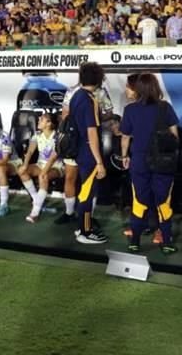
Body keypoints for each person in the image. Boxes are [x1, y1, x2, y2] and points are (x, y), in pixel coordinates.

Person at [120, 74, 179, 254]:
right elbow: (175, 136)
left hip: (139, 161)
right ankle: (167, 243)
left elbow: (125, 138)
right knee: (164, 203)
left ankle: (135, 241)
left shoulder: (130, 110)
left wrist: (124, 156)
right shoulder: (165, 107)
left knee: (139, 201)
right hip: (164, 162)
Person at [68, 62, 108, 244]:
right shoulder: (89, 100)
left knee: (84, 192)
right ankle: (85, 231)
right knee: (86, 194)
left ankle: (81, 228)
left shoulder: (76, 96)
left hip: (81, 151)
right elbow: (91, 132)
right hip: (88, 154)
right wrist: (99, 161)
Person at [17, 112, 63, 223]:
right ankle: (36, 200)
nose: (38, 120)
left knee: (44, 176)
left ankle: (35, 212)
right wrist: (25, 165)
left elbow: (53, 157)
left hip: (56, 166)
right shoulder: (37, 135)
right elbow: (30, 151)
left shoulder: (58, 136)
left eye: (41, 119)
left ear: (49, 123)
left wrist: (44, 171)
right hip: (40, 164)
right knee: (22, 171)